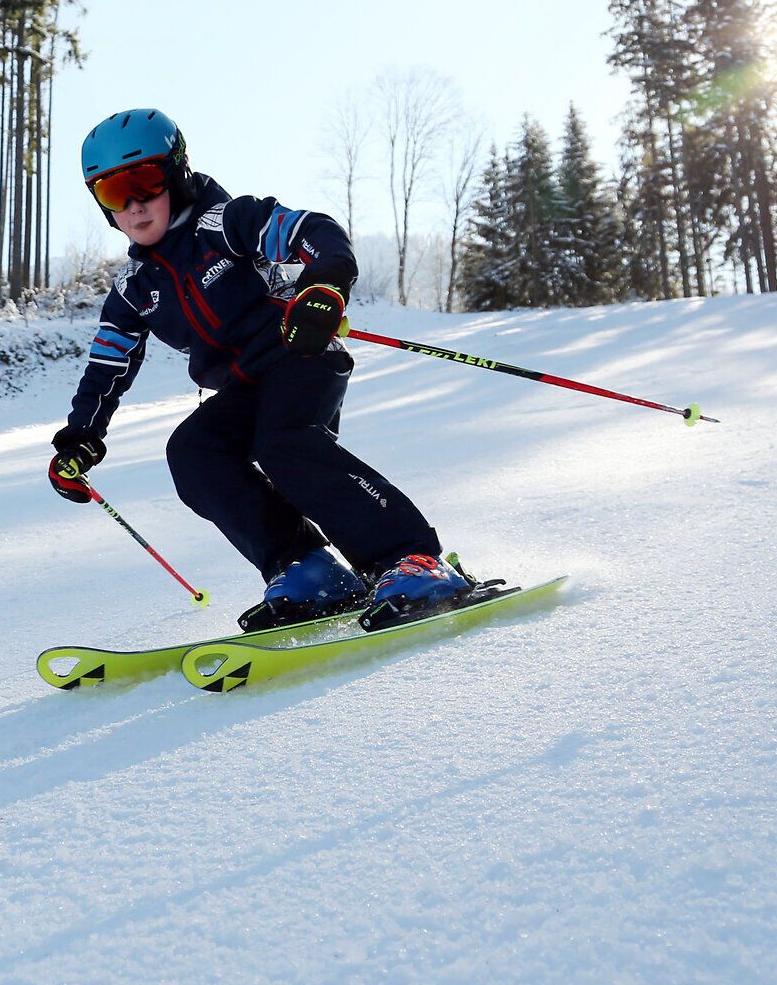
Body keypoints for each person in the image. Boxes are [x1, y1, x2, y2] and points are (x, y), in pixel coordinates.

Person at [47, 108, 470, 631]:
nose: (133, 205)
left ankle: (413, 560)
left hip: (300, 351)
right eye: (113, 193)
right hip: (242, 384)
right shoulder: (135, 287)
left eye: (144, 182)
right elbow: (109, 361)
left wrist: (324, 287)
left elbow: (312, 232)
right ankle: (308, 568)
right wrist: (81, 436)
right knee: (194, 451)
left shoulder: (225, 223)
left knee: (284, 443)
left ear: (176, 175)